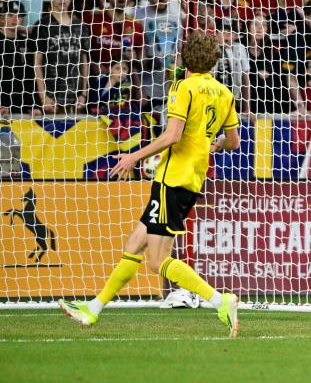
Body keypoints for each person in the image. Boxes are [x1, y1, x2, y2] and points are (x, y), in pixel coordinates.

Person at [58, 31, 242, 336]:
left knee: (158, 261)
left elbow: (172, 136)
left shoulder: (184, 88)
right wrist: (215, 143)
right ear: (213, 61)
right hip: (191, 178)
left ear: (185, 57)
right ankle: (94, 308)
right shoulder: (224, 93)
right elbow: (233, 141)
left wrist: (133, 156)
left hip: (172, 180)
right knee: (134, 245)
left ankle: (220, 300)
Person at [32, 0, 91, 114]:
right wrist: (43, 97)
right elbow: (37, 63)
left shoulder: (80, 26)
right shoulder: (43, 25)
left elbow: (84, 62)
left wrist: (83, 94)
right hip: (51, 101)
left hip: (76, 101)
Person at [0, 1, 36, 116]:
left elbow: (31, 75)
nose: (15, 19)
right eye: (10, 15)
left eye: (19, 15)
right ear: (1, 18)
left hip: (23, 107)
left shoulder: (27, 42)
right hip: (2, 107)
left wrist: (33, 105)